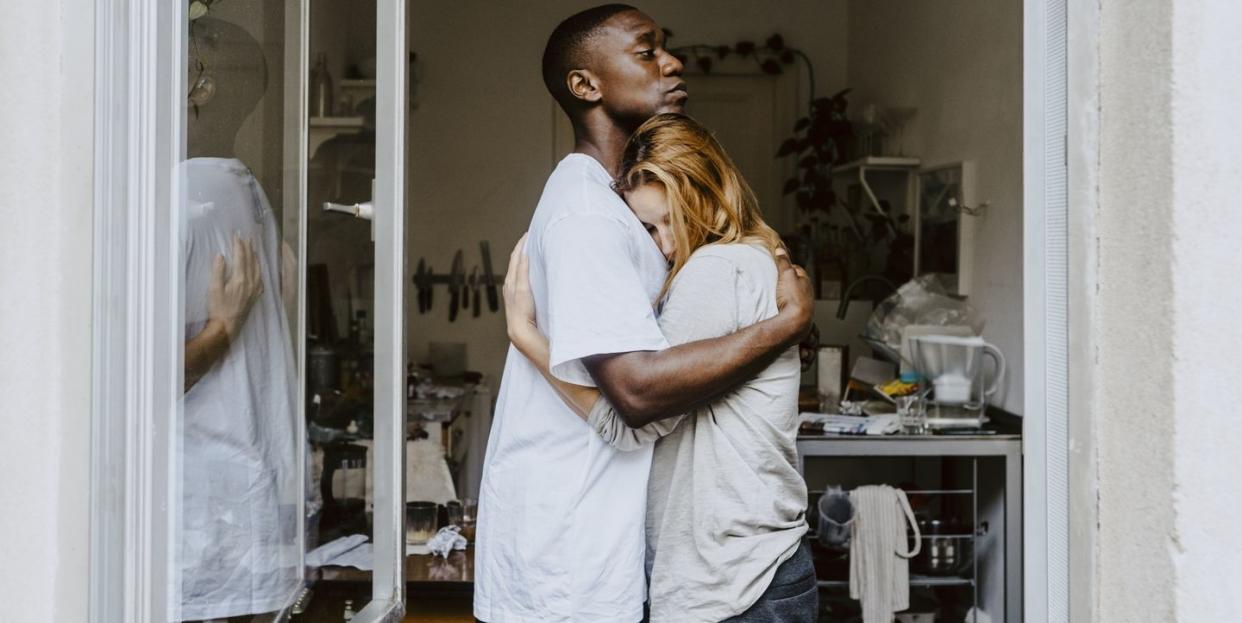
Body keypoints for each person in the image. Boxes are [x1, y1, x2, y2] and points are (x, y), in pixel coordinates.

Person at [472, 5, 814, 623]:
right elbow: (636, 392)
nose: (673, 61)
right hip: (576, 549)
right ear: (586, 85)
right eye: (647, 50)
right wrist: (787, 324)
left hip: (696, 565)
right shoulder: (588, 215)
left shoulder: (633, 213)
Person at [178, 15, 300, 623]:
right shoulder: (245, 189)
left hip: (197, 516)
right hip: (243, 499)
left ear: (201, 84)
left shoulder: (182, 201)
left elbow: (149, 378)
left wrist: (221, 332)